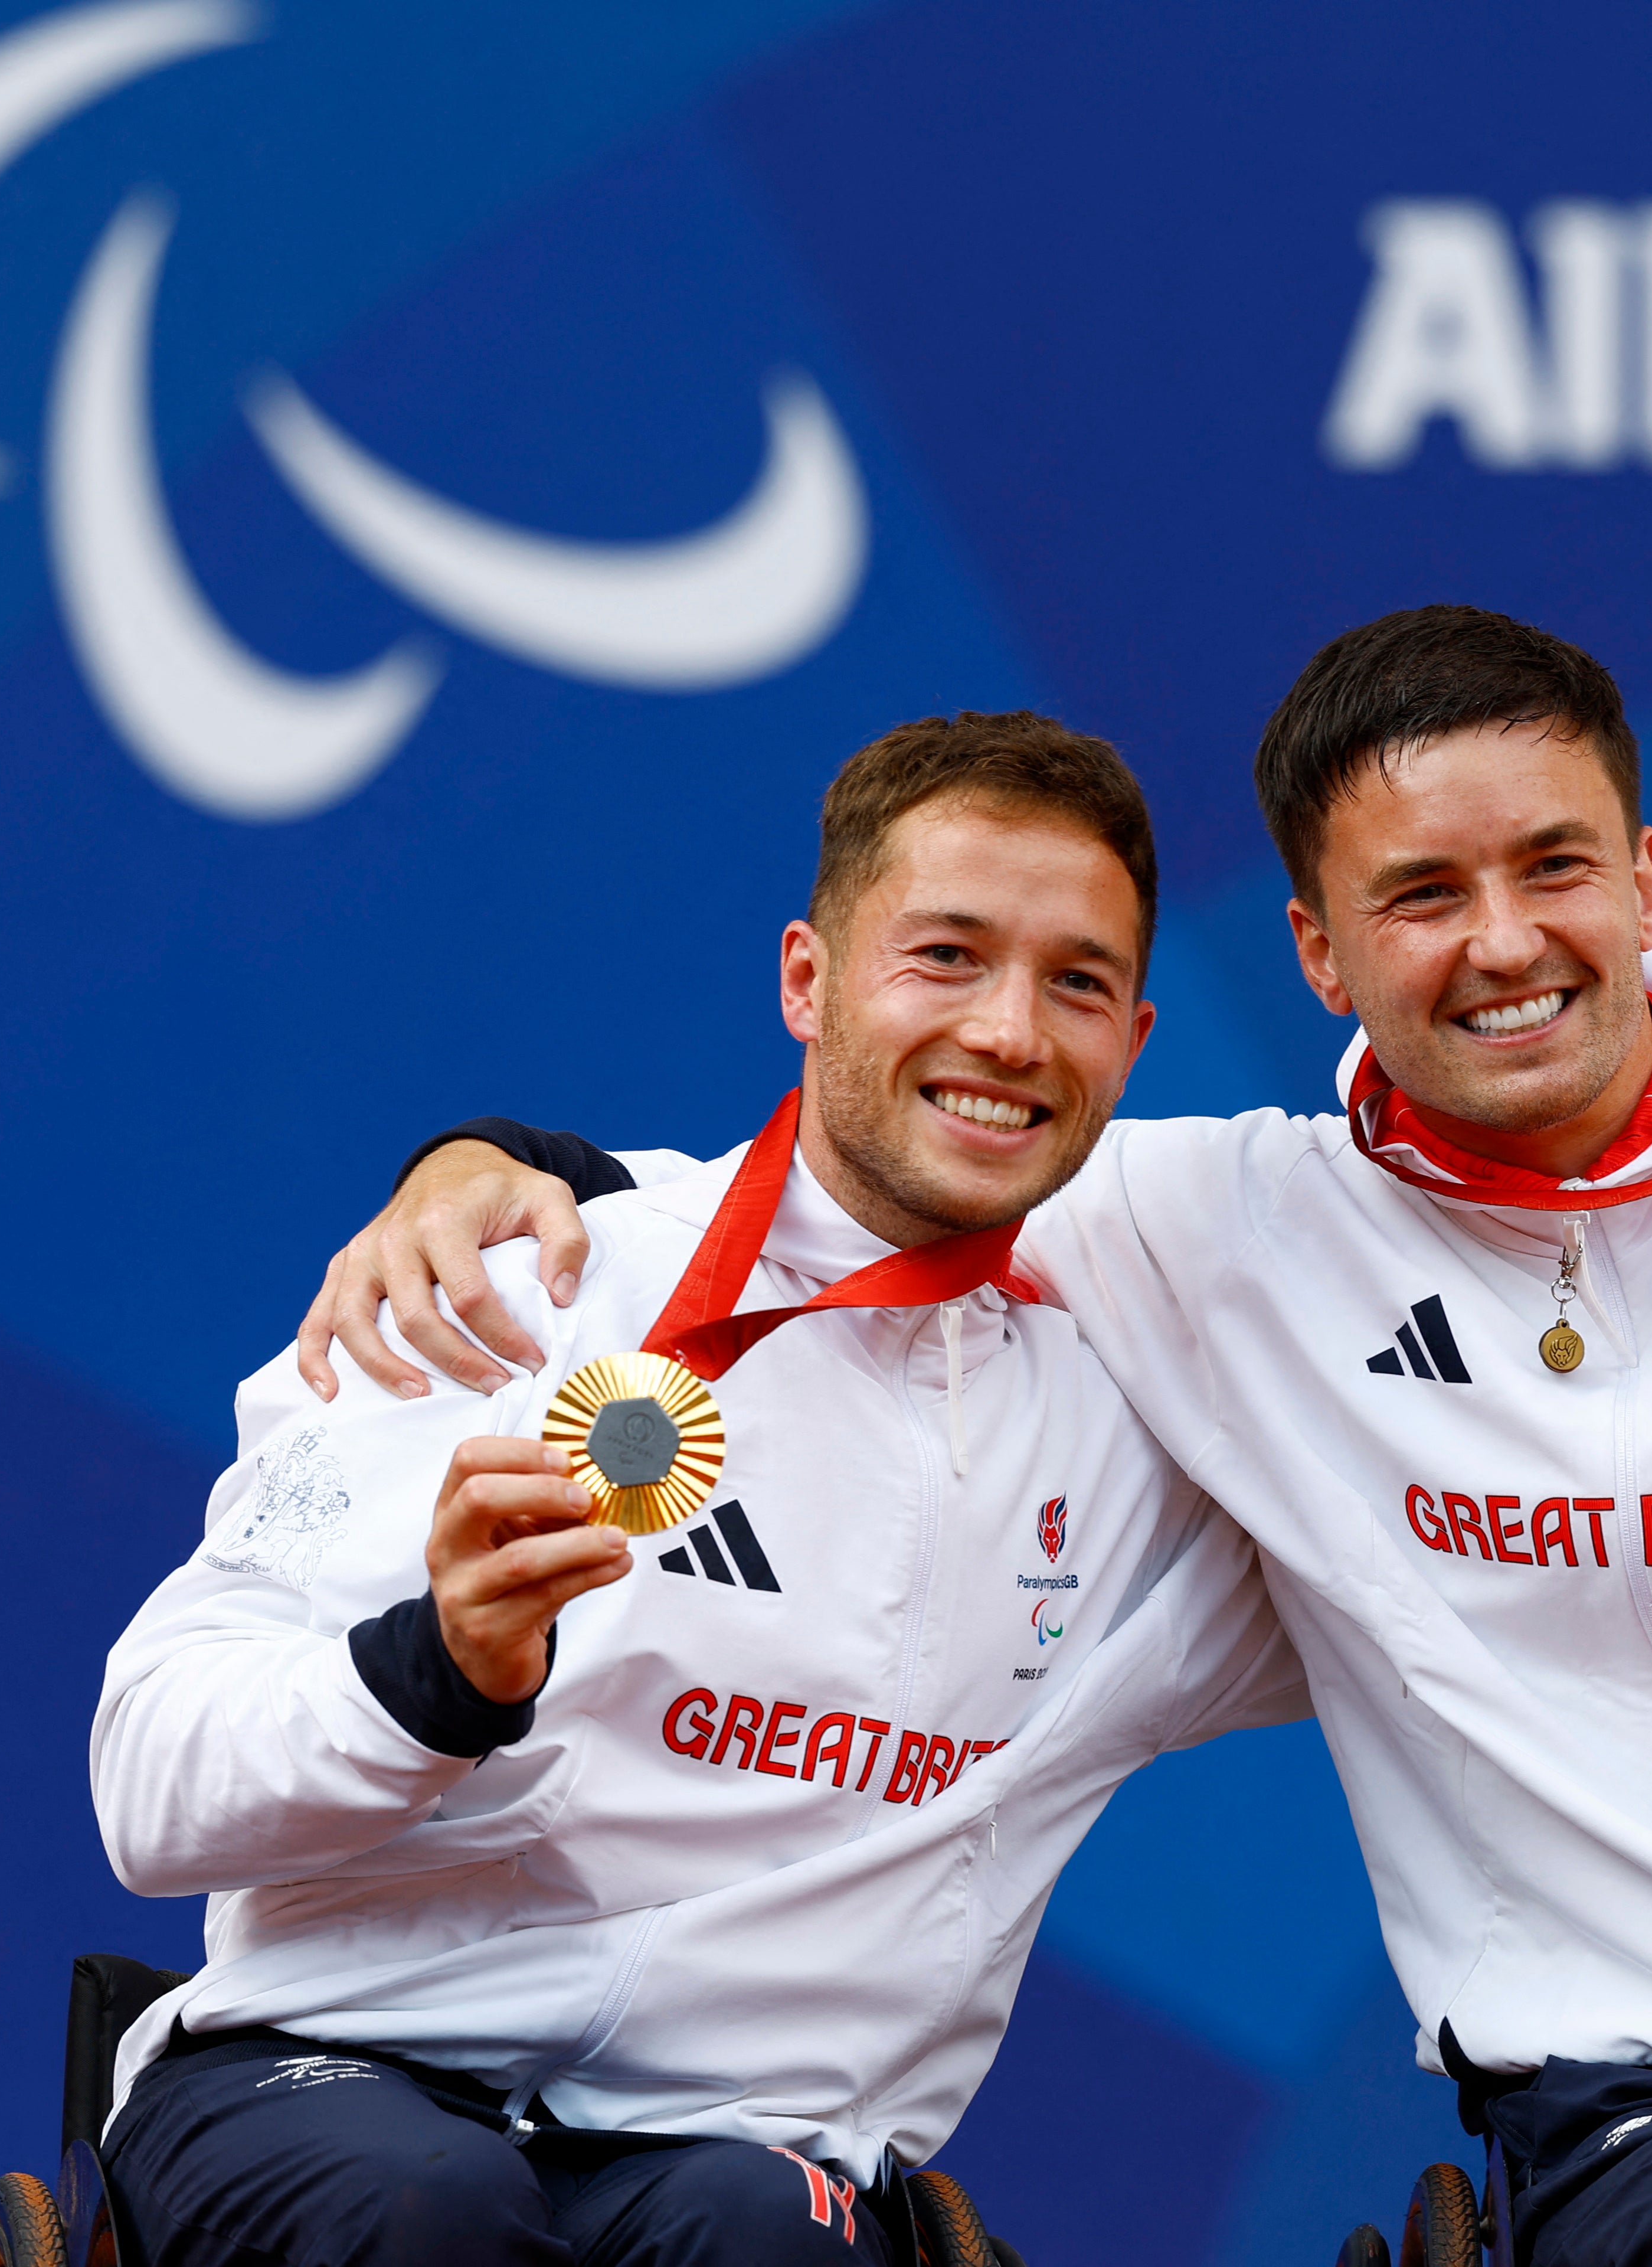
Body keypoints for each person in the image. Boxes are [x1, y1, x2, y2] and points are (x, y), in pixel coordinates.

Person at [312, 607, 1652, 2267]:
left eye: (1553, 867)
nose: (1506, 941)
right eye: (1422, 895)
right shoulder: (1215, 1227)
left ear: (1646, 878)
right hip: (1629, 2096)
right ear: (1319, 952)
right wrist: (488, 1163)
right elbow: (844, 1173)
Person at [92, 713, 1300, 2267]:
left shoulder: (1152, 1405)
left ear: (1133, 1043)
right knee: (428, 2211)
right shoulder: (511, 1279)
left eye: (1074, 982)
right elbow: (150, 1786)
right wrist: (437, 1671)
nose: (1010, 1032)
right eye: (945, 954)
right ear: (808, 980)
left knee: (761, 2241)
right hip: (338, 2073)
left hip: (748, 2147)